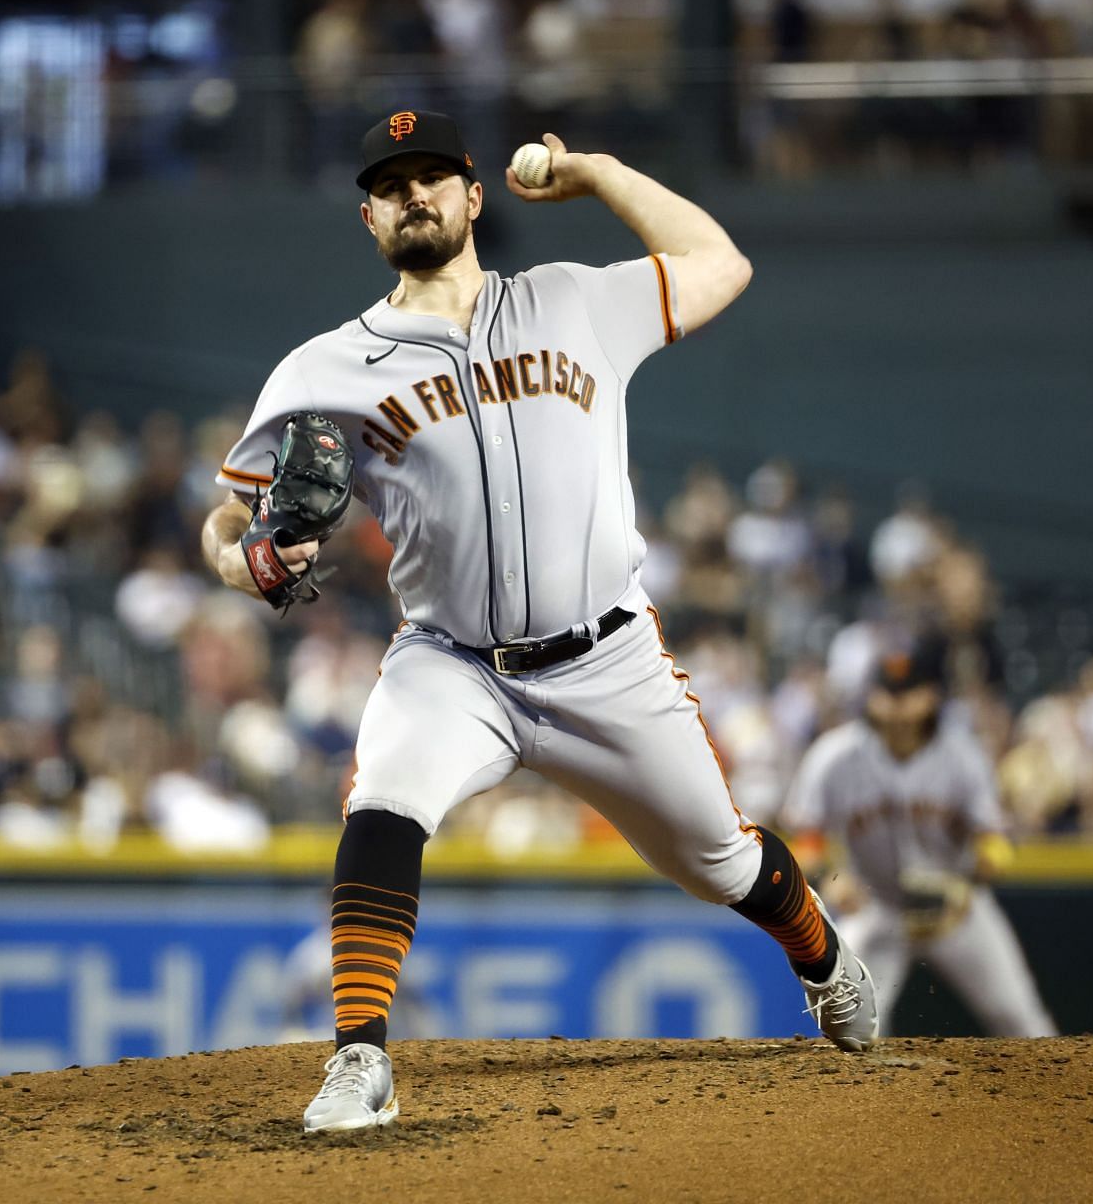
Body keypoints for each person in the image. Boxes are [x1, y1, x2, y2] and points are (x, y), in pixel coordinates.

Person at [198, 111, 878, 1134]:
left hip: (607, 655)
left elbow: (718, 260)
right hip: (451, 661)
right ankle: (359, 1058)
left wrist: (598, 172)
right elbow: (226, 516)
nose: (414, 194)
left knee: (720, 861)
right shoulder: (325, 367)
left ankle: (822, 955)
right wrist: (244, 558)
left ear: (475, 197)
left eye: (433, 176)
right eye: (393, 184)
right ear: (369, 216)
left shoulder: (576, 300)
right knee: (383, 797)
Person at [783, 640, 1056, 1039]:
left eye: (909, 694)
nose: (897, 706)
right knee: (850, 1031)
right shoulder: (834, 756)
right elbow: (804, 839)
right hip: (878, 910)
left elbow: (993, 838)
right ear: (870, 698)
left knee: (1020, 1019)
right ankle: (859, 1103)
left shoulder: (962, 755)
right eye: (887, 695)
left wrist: (984, 866)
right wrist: (830, 881)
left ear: (932, 696)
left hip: (957, 912)